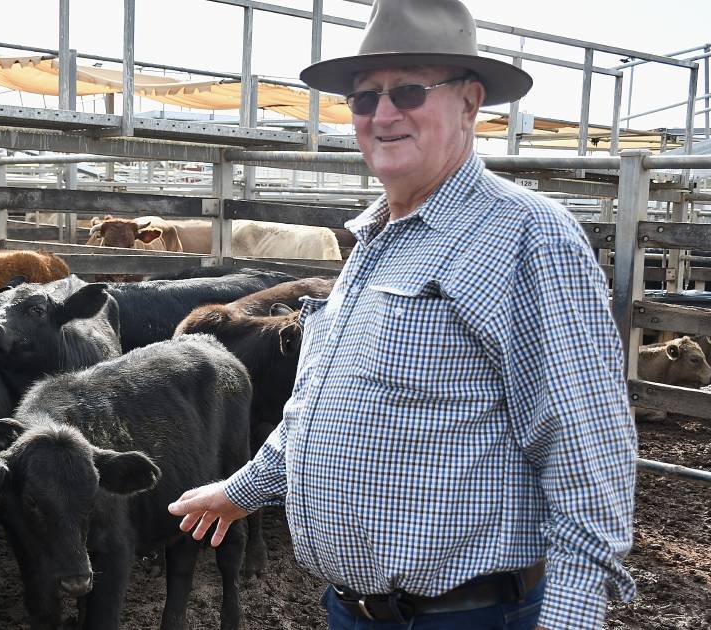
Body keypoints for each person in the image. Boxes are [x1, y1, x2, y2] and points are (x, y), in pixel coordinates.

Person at [167, 1, 637, 628]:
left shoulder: (527, 237)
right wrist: (242, 489)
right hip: (354, 609)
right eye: (365, 98)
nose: (383, 114)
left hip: (466, 614)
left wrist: (572, 619)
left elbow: (587, 450)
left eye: (410, 91)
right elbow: (326, 404)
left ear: (470, 103)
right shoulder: (378, 237)